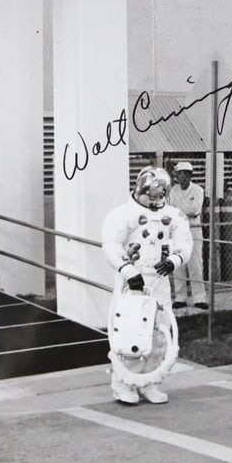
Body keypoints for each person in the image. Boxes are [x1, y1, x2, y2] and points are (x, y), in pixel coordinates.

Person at [101, 166, 193, 404]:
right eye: (151, 195)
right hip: (132, 281)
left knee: (160, 335)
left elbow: (184, 243)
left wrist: (174, 260)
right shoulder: (123, 214)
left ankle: (150, 381)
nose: (154, 201)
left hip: (159, 280)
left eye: (160, 195)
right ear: (140, 189)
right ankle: (124, 383)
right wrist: (128, 269)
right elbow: (111, 244)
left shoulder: (173, 215)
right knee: (131, 332)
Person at [168, 160, 206, 310]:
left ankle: (199, 297)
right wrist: (180, 211)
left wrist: (178, 210)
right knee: (179, 264)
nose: (180, 177)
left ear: (189, 175)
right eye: (178, 174)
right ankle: (180, 297)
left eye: (183, 174)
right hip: (177, 231)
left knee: (195, 264)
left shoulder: (198, 190)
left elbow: (194, 210)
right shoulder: (173, 190)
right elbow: (170, 210)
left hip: (193, 230)